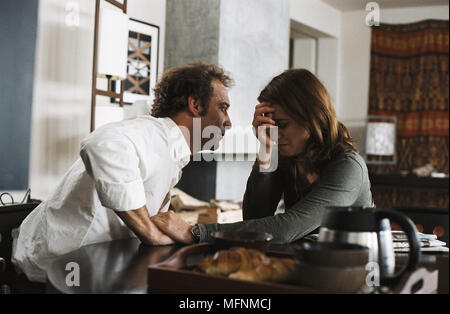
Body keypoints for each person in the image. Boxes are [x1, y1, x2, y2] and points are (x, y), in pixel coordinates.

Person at [12, 62, 233, 282]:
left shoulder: (171, 152)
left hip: (82, 271)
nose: (229, 122)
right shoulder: (154, 133)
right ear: (195, 105)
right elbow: (101, 143)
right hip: (56, 273)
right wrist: (150, 232)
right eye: (223, 107)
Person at [151, 68, 375, 245]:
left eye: (282, 125)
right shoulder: (288, 159)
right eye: (270, 126)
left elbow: (287, 228)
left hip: (352, 274)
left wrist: (195, 231)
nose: (275, 134)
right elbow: (255, 217)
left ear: (312, 118)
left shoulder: (348, 167)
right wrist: (265, 153)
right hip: (310, 269)